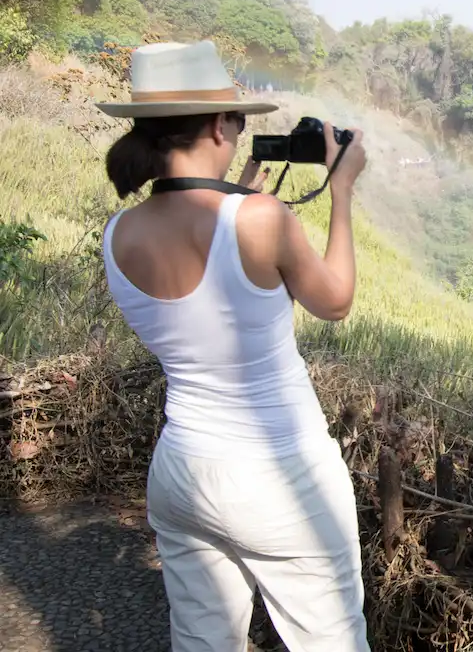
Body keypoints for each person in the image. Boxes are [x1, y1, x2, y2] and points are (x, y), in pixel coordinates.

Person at [95, 40, 371, 652]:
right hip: (281, 474)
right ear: (221, 125)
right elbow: (335, 302)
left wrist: (239, 194)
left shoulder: (119, 233)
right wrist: (341, 191)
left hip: (181, 471)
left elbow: (201, 310)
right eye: (240, 121)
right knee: (332, 640)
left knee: (201, 641)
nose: (242, 132)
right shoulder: (260, 218)